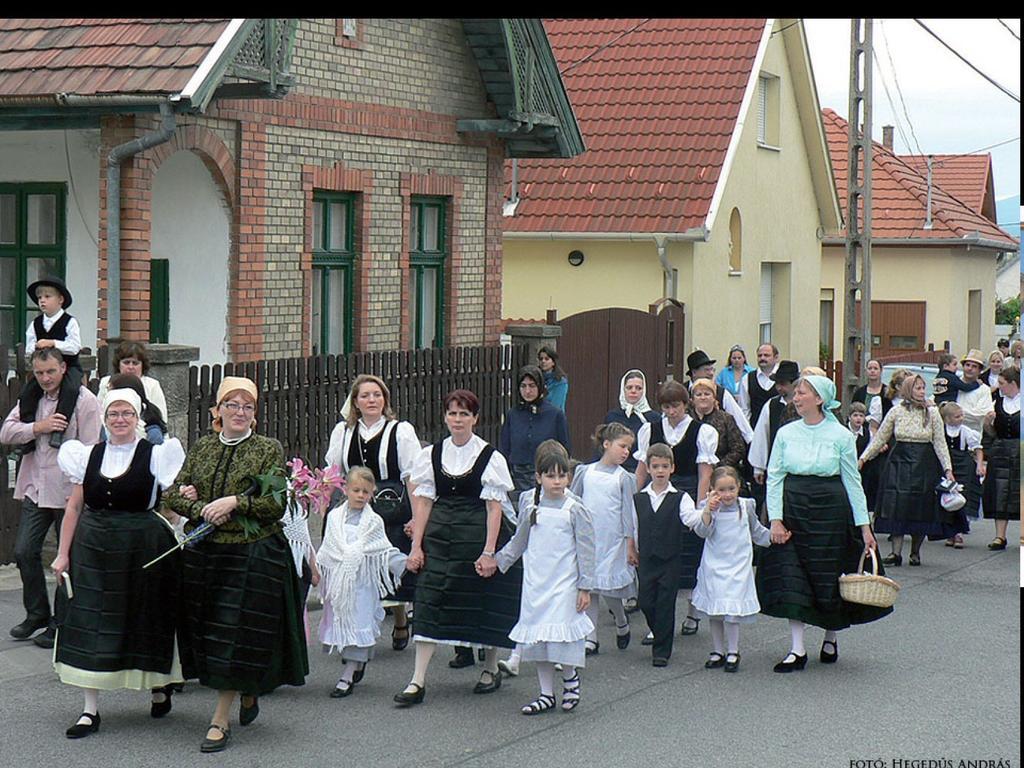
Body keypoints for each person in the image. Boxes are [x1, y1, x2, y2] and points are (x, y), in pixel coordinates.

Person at [164, 376, 307, 752]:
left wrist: (234, 503)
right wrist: (199, 508)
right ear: (217, 411)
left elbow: (275, 504)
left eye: (247, 407)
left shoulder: (267, 449)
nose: (239, 412)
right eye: (232, 405)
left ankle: (219, 720)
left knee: (233, 633)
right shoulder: (203, 447)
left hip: (251, 554)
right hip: (206, 555)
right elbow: (173, 494)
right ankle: (247, 688)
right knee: (210, 633)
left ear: (255, 415)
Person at [50, 388, 186, 738]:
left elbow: (171, 501)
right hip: (93, 546)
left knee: (146, 617)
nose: (120, 420)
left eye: (127, 413)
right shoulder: (88, 455)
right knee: (90, 619)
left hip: (143, 546)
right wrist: (63, 553)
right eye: (113, 414)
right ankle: (89, 710)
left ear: (137, 418)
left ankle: (159, 685)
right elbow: (74, 508)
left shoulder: (156, 455)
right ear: (106, 418)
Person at [756, 375, 892, 672]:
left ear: (819, 399)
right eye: (796, 392)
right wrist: (775, 520)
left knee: (830, 574)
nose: (796, 397)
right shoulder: (787, 432)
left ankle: (830, 636)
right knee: (794, 576)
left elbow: (853, 482)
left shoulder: (841, 436)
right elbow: (775, 476)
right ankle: (797, 649)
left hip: (830, 510)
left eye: (802, 392)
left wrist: (865, 527)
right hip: (794, 508)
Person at [395, 389, 520, 706]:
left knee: (484, 601)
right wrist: (416, 546)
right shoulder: (431, 455)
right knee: (429, 599)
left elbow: (495, 508)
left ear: (475, 418)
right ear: (445, 417)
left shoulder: (491, 457)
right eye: (452, 413)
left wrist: (490, 552)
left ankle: (491, 669)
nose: (458, 419)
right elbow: (423, 504)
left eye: (464, 414)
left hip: (477, 536)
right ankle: (417, 680)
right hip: (439, 537)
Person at [1, 348, 101, 648]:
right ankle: (37, 614)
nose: (45, 378)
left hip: (69, 491)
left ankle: (61, 623)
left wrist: (81, 490)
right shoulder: (32, 398)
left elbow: (92, 447)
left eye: (51, 372)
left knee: (65, 559)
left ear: (63, 369)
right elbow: (6, 432)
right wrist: (38, 427)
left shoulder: (85, 400)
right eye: (40, 373)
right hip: (36, 486)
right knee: (23, 551)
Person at [490, 449, 596, 714]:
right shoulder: (531, 507)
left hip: (564, 583)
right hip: (537, 583)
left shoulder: (575, 509)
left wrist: (585, 587)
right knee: (538, 637)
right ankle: (545, 693)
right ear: (538, 477)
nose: (557, 481)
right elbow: (519, 542)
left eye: (562, 476)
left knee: (561, 634)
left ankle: (570, 679)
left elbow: (586, 549)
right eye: (550, 476)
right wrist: (497, 561)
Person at [325, 374, 421, 651]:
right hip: (352, 510)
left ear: (385, 400)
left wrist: (415, 517)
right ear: (355, 401)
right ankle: (357, 632)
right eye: (365, 395)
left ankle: (400, 618)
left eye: (377, 395)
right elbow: (333, 473)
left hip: (388, 510)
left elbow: (412, 477)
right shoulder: (342, 432)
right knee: (354, 570)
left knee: (387, 568)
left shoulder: (400, 431)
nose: (372, 400)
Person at [634, 380, 719, 636]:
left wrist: (699, 505)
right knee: (656, 555)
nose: (671, 412)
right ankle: (658, 622)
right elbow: (642, 467)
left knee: (688, 556)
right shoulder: (650, 429)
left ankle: (692, 613)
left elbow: (705, 472)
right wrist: (636, 498)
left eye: (676, 406)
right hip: (657, 495)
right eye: (667, 407)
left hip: (688, 493)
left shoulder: (701, 431)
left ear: (686, 404)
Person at [318, 467, 407, 698]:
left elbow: (382, 550)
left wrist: (405, 564)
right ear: (345, 490)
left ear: (372, 494)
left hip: (362, 584)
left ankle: (347, 674)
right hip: (339, 582)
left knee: (359, 622)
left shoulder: (374, 521)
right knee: (343, 621)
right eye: (356, 490)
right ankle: (355, 662)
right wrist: (318, 572)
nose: (360, 495)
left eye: (365, 492)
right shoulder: (335, 517)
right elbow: (328, 548)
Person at [858, 375, 954, 567]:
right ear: (908, 390)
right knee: (897, 506)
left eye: (922, 388)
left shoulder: (932, 413)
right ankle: (895, 553)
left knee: (920, 508)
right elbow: (880, 438)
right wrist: (863, 458)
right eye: (917, 388)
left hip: (924, 463)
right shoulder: (896, 411)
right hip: (899, 462)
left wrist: (948, 468)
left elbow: (940, 442)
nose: (921, 391)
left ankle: (915, 552)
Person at [685, 466, 771, 673]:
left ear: (739, 487)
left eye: (731, 489)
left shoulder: (746, 506)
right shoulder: (709, 507)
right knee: (716, 610)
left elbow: (756, 531)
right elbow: (703, 532)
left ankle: (733, 650)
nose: (727, 494)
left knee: (732, 611)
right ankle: (717, 650)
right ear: (713, 490)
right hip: (715, 564)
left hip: (738, 565)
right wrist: (708, 510)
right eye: (721, 490)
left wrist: (774, 537)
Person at [569, 423, 638, 654]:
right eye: (622, 446)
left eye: (629, 447)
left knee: (609, 589)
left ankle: (621, 621)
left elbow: (628, 512)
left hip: (613, 540)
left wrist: (630, 542)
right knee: (591, 587)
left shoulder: (624, 478)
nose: (626, 451)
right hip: (589, 539)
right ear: (606, 444)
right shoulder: (585, 472)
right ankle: (591, 637)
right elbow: (574, 501)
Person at [633, 443, 692, 666]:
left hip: (670, 558)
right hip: (647, 557)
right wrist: (631, 548)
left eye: (664, 466)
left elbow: (690, 518)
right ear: (647, 468)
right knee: (646, 601)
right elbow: (633, 527)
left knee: (666, 602)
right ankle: (659, 631)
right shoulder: (639, 498)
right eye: (655, 466)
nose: (660, 471)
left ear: (672, 468)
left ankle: (661, 651)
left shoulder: (680, 497)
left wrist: (705, 513)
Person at [16, 278, 83, 452]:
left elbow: (74, 346)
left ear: (60, 300)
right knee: (27, 394)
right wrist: (36, 348)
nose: (42, 301)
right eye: (39, 298)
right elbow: (30, 346)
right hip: (44, 368)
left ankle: (58, 431)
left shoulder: (70, 321)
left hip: (68, 367)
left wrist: (52, 342)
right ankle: (29, 432)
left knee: (71, 390)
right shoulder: (36, 324)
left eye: (47, 296)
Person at [499, 365, 571, 493]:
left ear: (540, 386)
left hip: (547, 478)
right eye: (523, 386)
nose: (527, 391)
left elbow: (565, 449)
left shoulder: (555, 415)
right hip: (517, 479)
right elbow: (505, 448)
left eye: (532, 386)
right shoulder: (513, 414)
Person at [97, 341, 170, 440]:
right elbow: (99, 414)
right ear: (118, 364)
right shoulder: (107, 382)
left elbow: (161, 417)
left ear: (142, 365)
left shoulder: (152, 385)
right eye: (126, 362)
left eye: (135, 363)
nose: (130, 367)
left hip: (144, 429)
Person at [980, 366, 1020, 551]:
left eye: (1002, 383)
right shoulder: (997, 401)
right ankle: (1000, 536)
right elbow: (991, 432)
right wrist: (988, 422)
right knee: (1000, 491)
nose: (999, 386)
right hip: (1001, 449)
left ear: (1013, 384)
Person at [748, 360, 801, 493]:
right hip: (776, 463)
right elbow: (761, 435)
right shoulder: (771, 405)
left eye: (783, 384)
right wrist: (759, 467)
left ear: (794, 384)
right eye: (777, 383)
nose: (778, 387)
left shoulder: (805, 405)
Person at [937, 402, 984, 548]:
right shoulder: (941, 431)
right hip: (946, 464)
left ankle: (959, 533)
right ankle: (949, 533)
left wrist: (979, 465)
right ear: (947, 419)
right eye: (957, 416)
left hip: (963, 466)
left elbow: (978, 449)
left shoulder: (965, 431)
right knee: (946, 498)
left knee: (962, 499)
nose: (961, 418)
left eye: (962, 415)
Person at [685, 350, 753, 443]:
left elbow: (739, 419)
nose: (711, 373)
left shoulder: (722, 393)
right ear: (694, 372)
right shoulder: (682, 392)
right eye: (707, 370)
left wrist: (751, 442)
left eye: (712, 369)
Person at [603, 369, 661, 475]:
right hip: (614, 470)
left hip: (643, 471)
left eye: (638, 388)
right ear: (623, 389)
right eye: (629, 387)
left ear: (644, 391)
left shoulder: (654, 418)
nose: (633, 391)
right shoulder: (612, 416)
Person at [690, 378, 746, 470]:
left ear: (714, 397)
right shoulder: (687, 419)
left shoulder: (726, 418)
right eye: (698, 395)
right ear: (692, 399)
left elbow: (738, 449)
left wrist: (718, 466)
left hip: (721, 470)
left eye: (707, 394)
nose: (703, 397)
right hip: (691, 470)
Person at [739, 343, 780, 425]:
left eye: (766, 355)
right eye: (759, 355)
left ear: (776, 357)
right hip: (756, 429)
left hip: (780, 428)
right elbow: (744, 408)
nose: (762, 358)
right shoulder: (747, 379)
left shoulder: (784, 377)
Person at [956, 350, 994, 433]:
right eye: (967, 365)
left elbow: (980, 415)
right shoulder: (954, 384)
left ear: (980, 370)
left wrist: (952, 413)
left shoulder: (984, 390)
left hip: (973, 436)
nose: (970, 368)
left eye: (974, 366)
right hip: (951, 435)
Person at [852, 359, 891, 436]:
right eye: (870, 368)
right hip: (862, 434)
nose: (872, 371)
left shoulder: (887, 392)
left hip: (883, 433)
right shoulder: (860, 392)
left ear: (881, 371)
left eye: (875, 368)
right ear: (866, 371)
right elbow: (852, 411)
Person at [715, 345, 755, 417]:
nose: (737, 360)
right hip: (728, 407)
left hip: (748, 407)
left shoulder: (752, 372)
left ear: (744, 359)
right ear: (730, 359)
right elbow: (717, 386)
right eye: (734, 358)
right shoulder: (724, 372)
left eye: (739, 358)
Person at [537, 346, 568, 412]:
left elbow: (556, 405)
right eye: (541, 359)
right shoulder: (536, 378)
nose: (543, 361)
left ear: (553, 362)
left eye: (547, 359)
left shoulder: (560, 382)